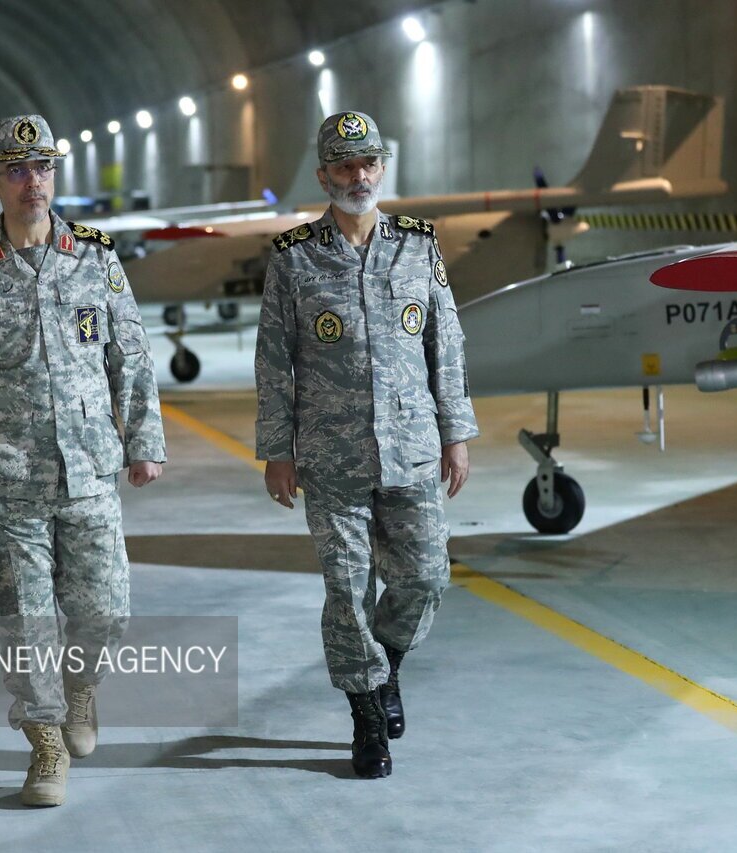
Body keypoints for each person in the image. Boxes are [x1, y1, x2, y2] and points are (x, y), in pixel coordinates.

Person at [0, 114, 166, 807]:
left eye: (43, 168)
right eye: (17, 170)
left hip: (89, 468)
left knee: (106, 612)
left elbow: (132, 356)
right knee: (25, 622)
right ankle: (46, 745)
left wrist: (144, 440)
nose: (34, 182)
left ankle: (81, 686)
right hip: (7, 478)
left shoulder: (95, 257)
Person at [255, 110, 478, 779]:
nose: (360, 176)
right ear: (324, 174)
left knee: (426, 577)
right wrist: (277, 448)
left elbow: (447, 344)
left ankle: (386, 667)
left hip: (410, 446)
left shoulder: (417, 245)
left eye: (369, 163)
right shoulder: (295, 259)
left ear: (382, 167)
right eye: (346, 166)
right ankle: (366, 717)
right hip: (331, 454)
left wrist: (455, 431)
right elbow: (275, 362)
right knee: (347, 589)